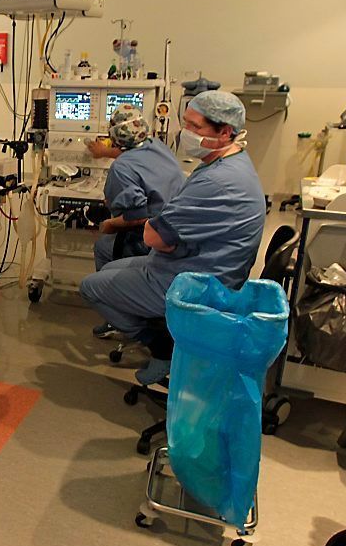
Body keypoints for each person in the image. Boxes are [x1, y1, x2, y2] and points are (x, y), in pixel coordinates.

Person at [80, 91, 266, 384]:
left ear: (225, 131)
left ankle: (161, 348)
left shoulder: (216, 181)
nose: (186, 133)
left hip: (194, 280)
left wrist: (118, 224)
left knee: (91, 286)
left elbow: (154, 236)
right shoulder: (232, 163)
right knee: (109, 268)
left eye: (196, 127)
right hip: (200, 261)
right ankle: (162, 327)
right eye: (185, 123)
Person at [86, 103, 185, 339]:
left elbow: (137, 215)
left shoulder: (121, 169)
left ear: (114, 135)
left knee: (102, 247)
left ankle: (127, 317)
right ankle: (121, 307)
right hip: (176, 226)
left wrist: (108, 225)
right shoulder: (156, 145)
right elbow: (131, 152)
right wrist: (104, 153)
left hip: (150, 234)